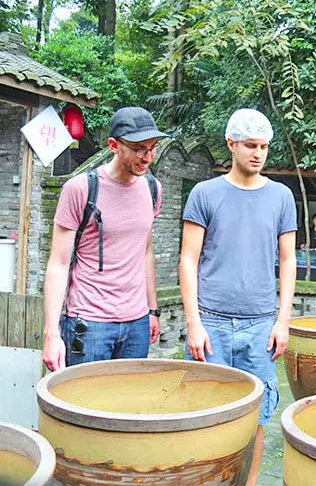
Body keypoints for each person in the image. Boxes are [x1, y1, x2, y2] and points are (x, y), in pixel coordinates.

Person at [179, 108, 296, 486]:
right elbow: (188, 259)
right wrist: (194, 324)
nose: (258, 153)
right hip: (211, 321)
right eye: (250, 145)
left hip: (259, 323)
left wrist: (283, 321)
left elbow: (288, 260)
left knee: (257, 417)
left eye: (264, 146)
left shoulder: (281, 196)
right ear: (231, 144)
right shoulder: (205, 193)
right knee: (204, 414)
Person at [42, 107, 166, 371]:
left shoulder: (152, 188)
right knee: (83, 396)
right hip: (89, 322)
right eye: (138, 149)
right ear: (114, 145)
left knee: (130, 397)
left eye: (152, 148)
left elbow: (145, 252)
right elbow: (59, 263)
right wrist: (51, 334)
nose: (147, 157)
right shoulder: (80, 189)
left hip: (137, 322)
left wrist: (152, 311)